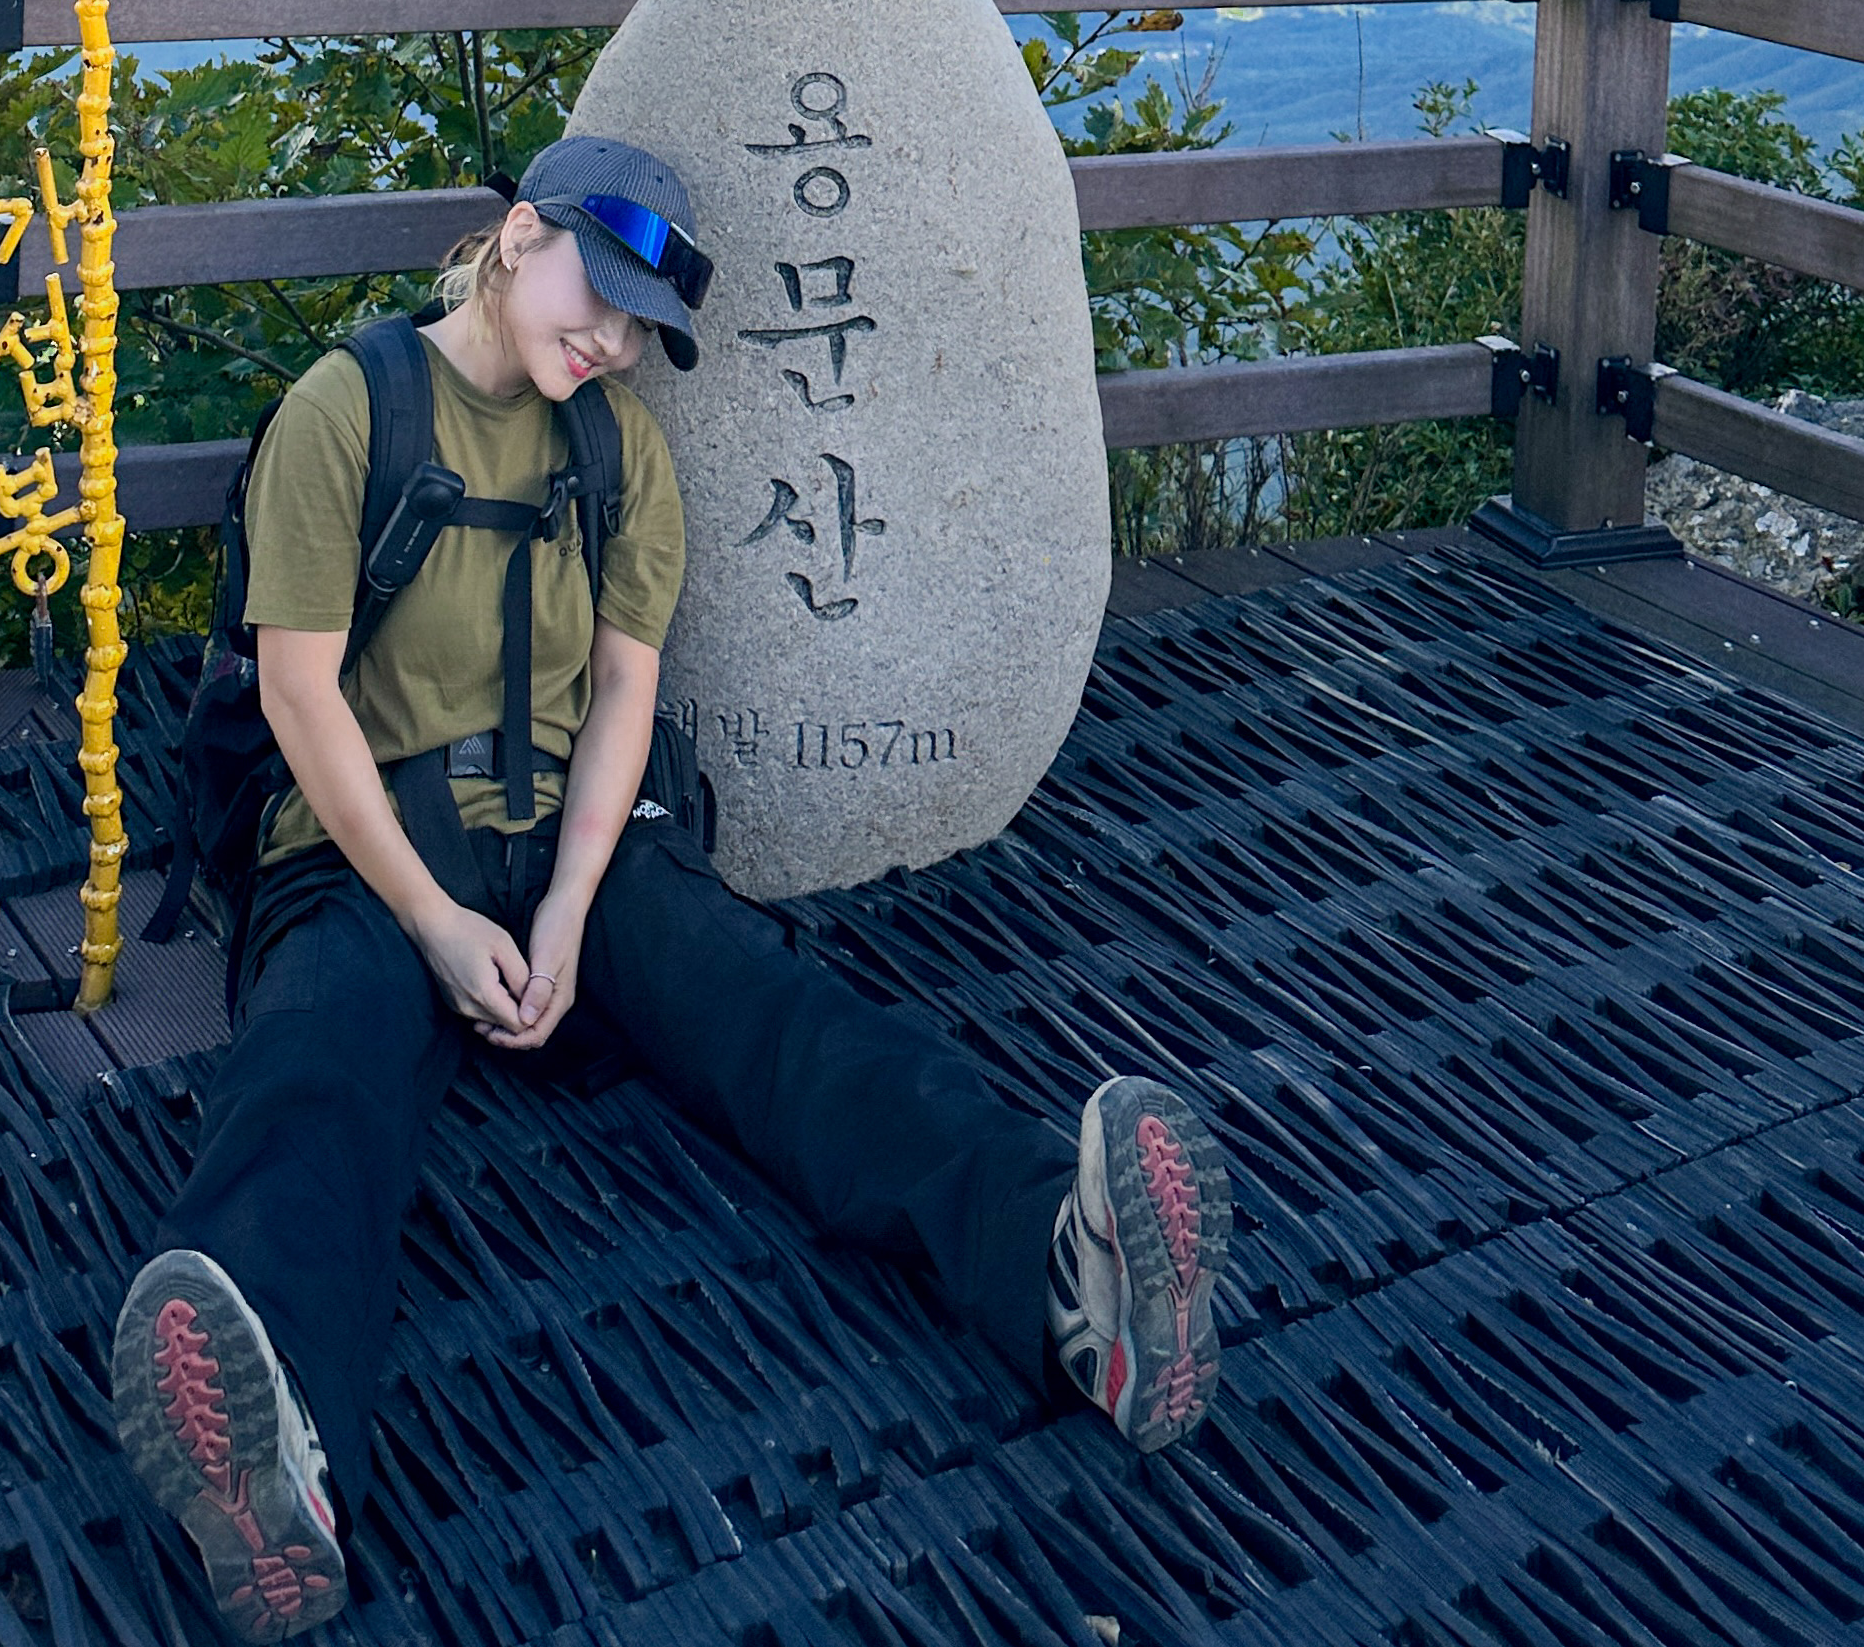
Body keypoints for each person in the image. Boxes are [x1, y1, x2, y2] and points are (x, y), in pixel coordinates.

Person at [111, 131, 1232, 1641]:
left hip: (575, 840)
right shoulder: (347, 407)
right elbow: (301, 696)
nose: (614, 344)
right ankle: (276, 1459)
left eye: (641, 326)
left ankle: (1067, 1280)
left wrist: (572, 908)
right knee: (318, 1059)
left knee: (774, 1012)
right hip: (367, 844)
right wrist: (434, 919)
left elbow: (625, 691)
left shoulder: (616, 448)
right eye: (601, 297)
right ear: (519, 235)